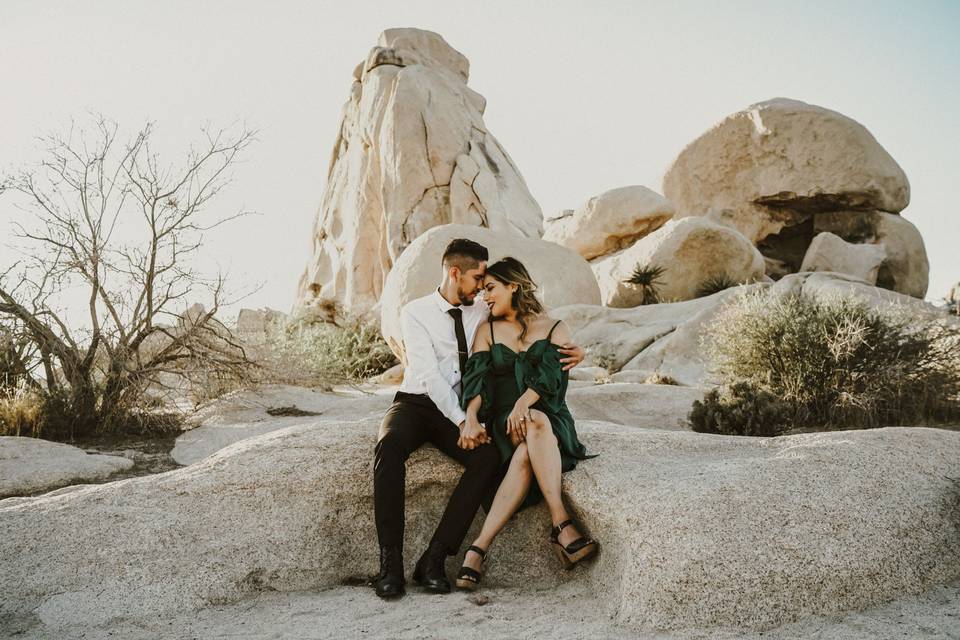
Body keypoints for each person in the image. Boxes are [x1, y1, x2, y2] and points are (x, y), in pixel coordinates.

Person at [373, 240, 585, 599]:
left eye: (487, 282)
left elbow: (531, 332)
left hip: (458, 409)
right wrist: (463, 421)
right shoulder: (415, 312)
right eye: (477, 278)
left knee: (486, 458)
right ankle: (389, 562)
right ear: (454, 273)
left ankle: (436, 558)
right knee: (389, 447)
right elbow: (428, 376)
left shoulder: (481, 311)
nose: (482, 288)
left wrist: (577, 351)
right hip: (416, 402)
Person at [454, 257, 598, 591]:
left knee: (531, 431)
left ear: (513, 286)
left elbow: (551, 378)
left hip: (548, 419)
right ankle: (562, 526)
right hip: (506, 425)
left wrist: (523, 403)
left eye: (490, 288)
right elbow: (477, 380)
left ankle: (478, 550)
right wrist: (472, 417)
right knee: (523, 443)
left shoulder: (553, 327)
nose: (484, 297)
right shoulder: (487, 330)